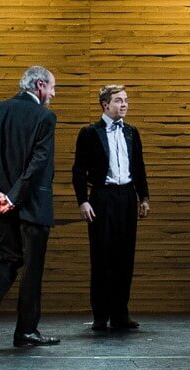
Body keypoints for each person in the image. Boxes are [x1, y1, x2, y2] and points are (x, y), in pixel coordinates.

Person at [0, 65, 60, 347]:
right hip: (33, 205)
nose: (53, 94)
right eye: (52, 87)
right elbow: (39, 163)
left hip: (2, 206)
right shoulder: (45, 117)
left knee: (7, 260)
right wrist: (12, 197)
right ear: (39, 85)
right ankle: (26, 331)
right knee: (32, 269)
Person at [72, 84, 150, 331]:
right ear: (105, 105)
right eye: (118, 100)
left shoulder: (131, 132)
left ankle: (120, 314)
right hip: (102, 197)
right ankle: (100, 315)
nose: (124, 104)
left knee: (124, 257)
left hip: (126, 196)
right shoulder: (89, 133)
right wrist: (83, 201)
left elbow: (139, 166)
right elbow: (78, 170)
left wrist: (144, 197)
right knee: (102, 256)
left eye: (125, 100)